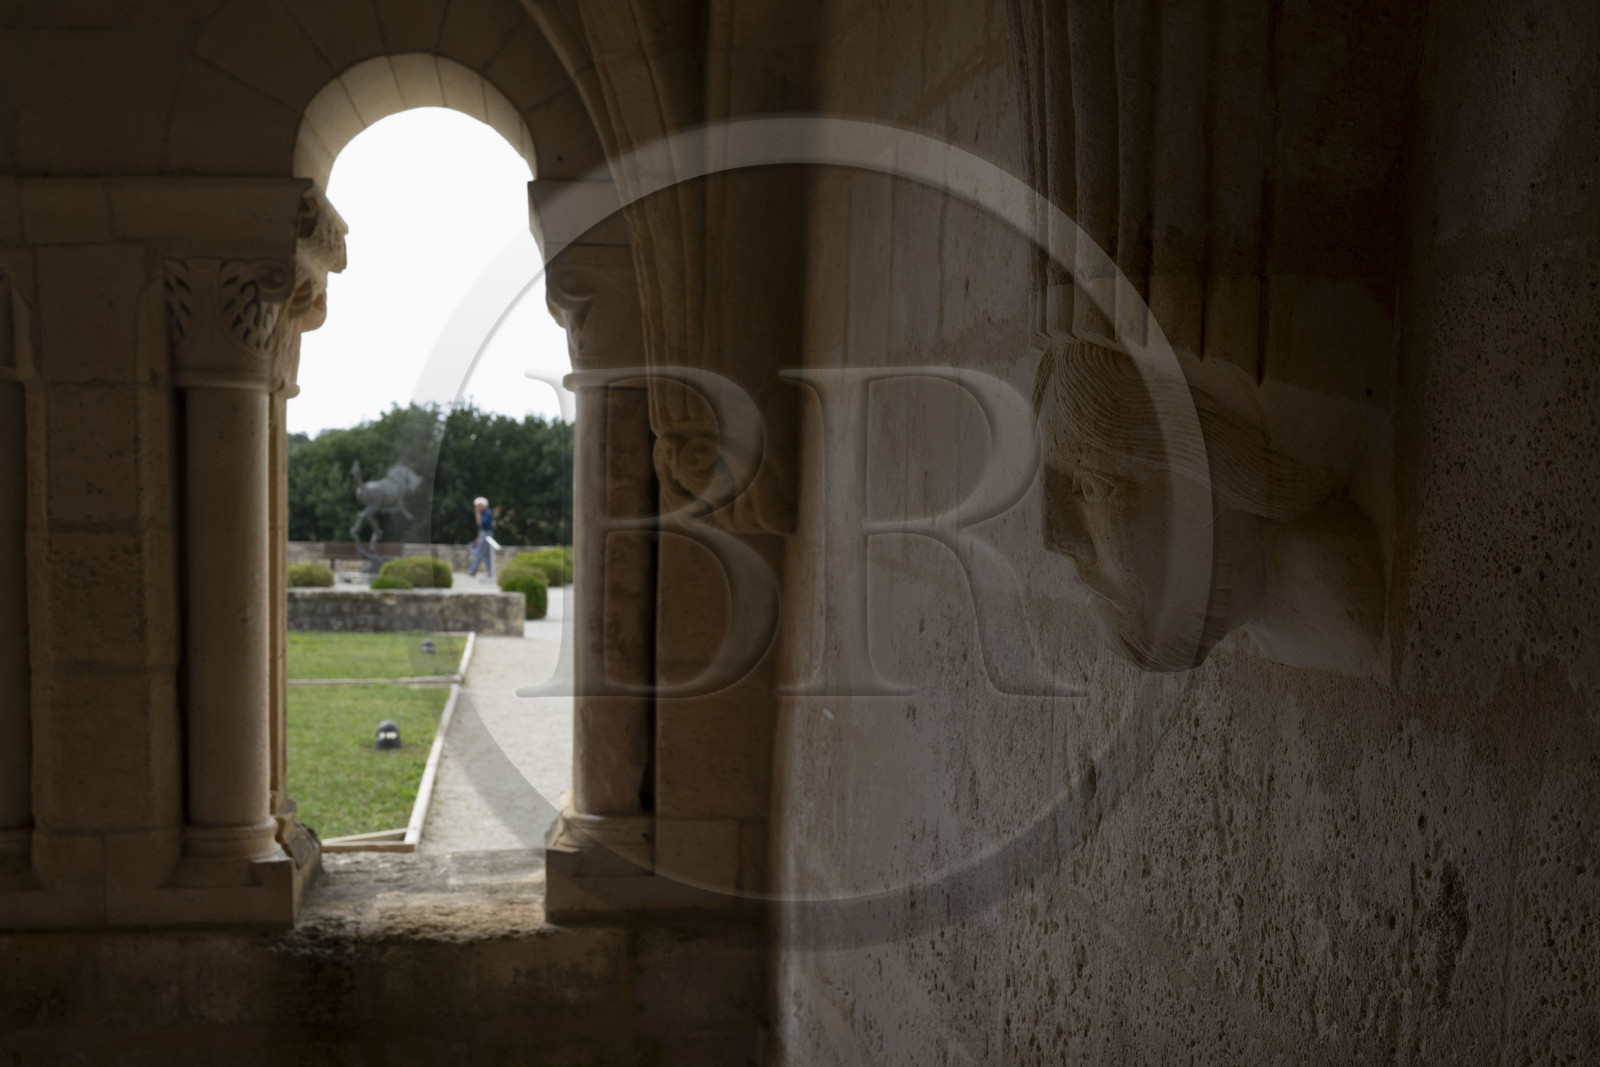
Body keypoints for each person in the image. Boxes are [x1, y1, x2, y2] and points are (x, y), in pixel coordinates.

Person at [468, 496, 498, 580]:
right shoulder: (486, 512)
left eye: (478, 506)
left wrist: (477, 514)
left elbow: (480, 524)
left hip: (486, 534)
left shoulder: (487, 512)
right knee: (487, 555)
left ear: (482, 505)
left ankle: (472, 571)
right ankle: (491, 572)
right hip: (484, 533)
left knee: (479, 552)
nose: (476, 508)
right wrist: (478, 537)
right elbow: (482, 528)